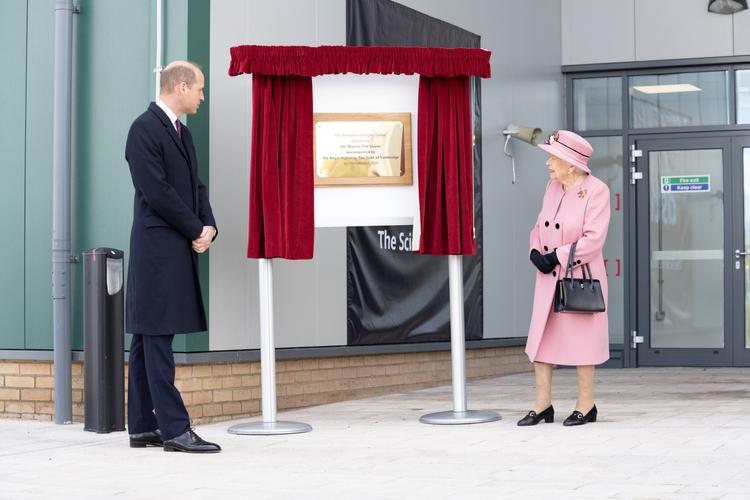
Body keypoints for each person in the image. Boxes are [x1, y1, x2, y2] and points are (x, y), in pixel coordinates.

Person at [124, 61, 220, 452]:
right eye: (199, 88)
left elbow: (195, 186)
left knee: (147, 338)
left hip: (173, 246)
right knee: (157, 337)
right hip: (157, 252)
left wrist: (209, 225)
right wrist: (195, 228)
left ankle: (142, 426)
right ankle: (175, 429)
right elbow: (157, 191)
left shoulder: (182, 132)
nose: (202, 96)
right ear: (181, 87)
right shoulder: (143, 129)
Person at [518, 130, 610, 427]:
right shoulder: (552, 187)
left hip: (578, 277)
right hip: (548, 277)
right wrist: (535, 251)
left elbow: (593, 240)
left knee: (584, 343)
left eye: (552, 157)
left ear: (571, 164)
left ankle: (586, 405)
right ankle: (542, 405)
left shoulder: (597, 191)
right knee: (541, 340)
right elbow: (538, 226)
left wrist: (556, 256)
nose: (547, 163)